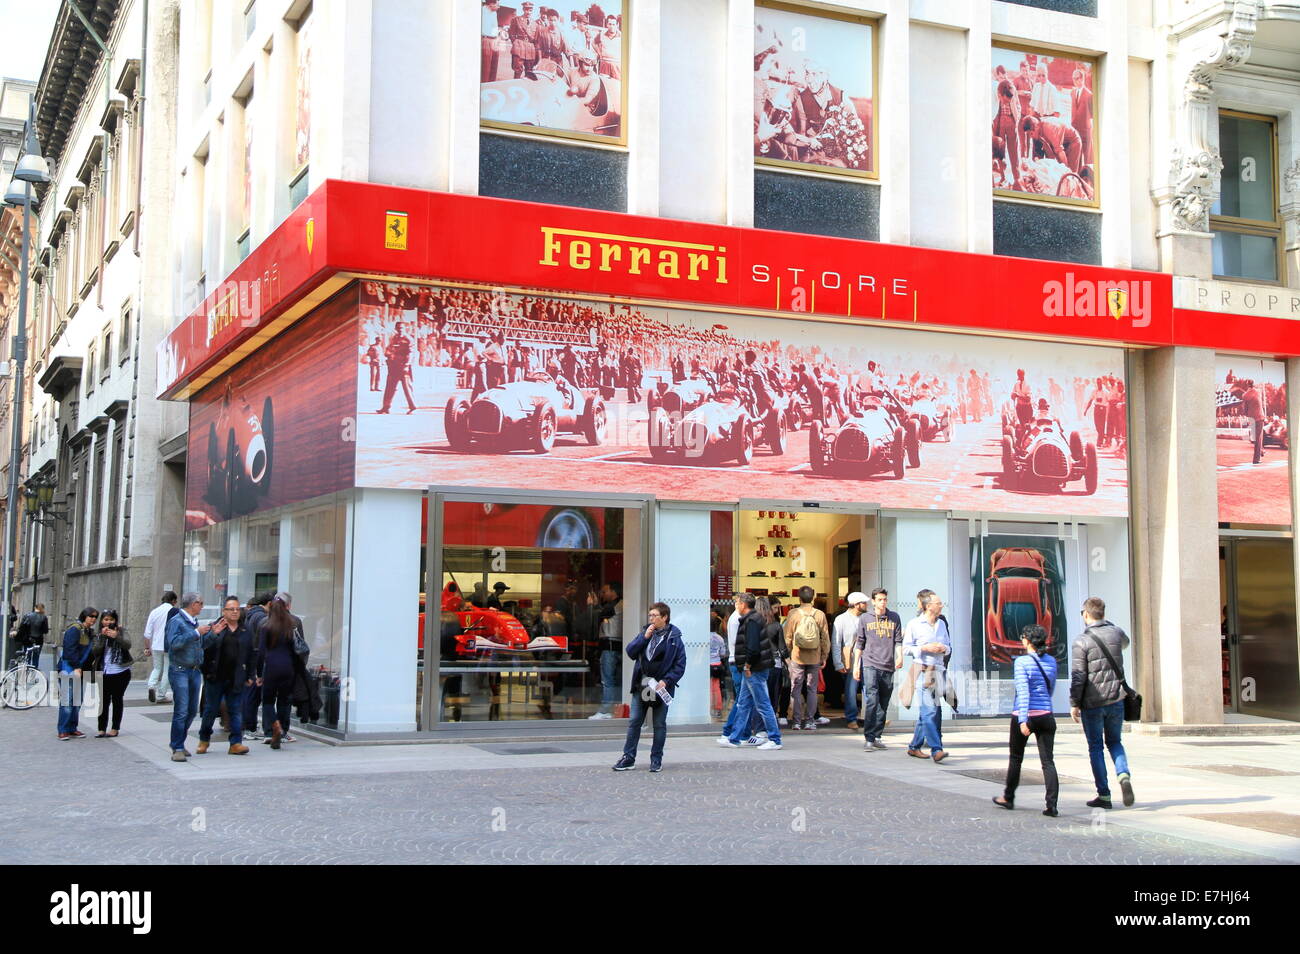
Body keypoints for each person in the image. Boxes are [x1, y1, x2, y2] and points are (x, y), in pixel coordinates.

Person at [1071, 597, 1134, 809]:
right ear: (1103, 613)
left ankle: (1104, 795)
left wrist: (1074, 703)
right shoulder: (1116, 633)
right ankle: (1123, 774)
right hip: (1116, 698)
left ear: (1086, 614)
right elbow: (1125, 643)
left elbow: (1079, 676)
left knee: (1096, 747)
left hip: (1093, 702)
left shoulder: (1082, 641)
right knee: (1115, 742)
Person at [993, 624, 1059, 816]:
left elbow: (1023, 692)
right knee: (1048, 762)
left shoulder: (1022, 662)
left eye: (1023, 637)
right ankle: (1051, 805)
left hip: (1026, 715)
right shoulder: (1052, 661)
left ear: (1027, 641)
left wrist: (1023, 720)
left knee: (1015, 759)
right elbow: (1051, 688)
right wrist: (1045, 705)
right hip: (1046, 714)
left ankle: (1008, 797)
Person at [612, 602, 686, 772]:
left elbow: (680, 665)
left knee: (659, 724)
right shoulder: (646, 632)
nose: (651, 619)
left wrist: (667, 681)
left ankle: (656, 759)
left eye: (655, 616)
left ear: (665, 617)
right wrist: (643, 637)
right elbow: (630, 652)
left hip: (661, 687)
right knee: (634, 721)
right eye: (650, 615)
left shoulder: (674, 638)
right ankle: (628, 758)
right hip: (642, 684)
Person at [719, 594, 782, 749]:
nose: (735, 605)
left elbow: (753, 647)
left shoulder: (752, 620)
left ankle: (774, 739)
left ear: (743, 604)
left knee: (762, 704)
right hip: (754, 668)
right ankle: (734, 737)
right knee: (743, 703)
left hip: (754, 669)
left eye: (737, 603)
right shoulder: (752, 619)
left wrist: (747, 666)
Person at [196, 596, 255, 756]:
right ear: (224, 611)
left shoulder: (245, 630)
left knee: (236, 710)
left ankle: (236, 743)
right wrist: (213, 634)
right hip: (215, 676)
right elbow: (203, 647)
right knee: (210, 709)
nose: (235, 612)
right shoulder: (215, 627)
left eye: (237, 609)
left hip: (236, 677)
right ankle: (204, 739)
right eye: (231, 609)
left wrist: (251, 674)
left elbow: (251, 654)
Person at [902, 591, 951, 762]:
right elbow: (906, 648)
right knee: (930, 711)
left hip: (938, 671)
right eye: (938, 603)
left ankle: (914, 746)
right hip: (923, 672)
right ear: (928, 606)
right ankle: (936, 749)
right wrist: (924, 648)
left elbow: (949, 646)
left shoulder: (942, 624)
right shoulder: (914, 624)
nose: (941, 605)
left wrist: (943, 649)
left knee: (931, 712)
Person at [855, 588, 903, 751]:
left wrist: (900, 656)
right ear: (873, 601)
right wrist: (856, 665)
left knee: (884, 702)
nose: (883, 602)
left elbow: (898, 640)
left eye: (885, 599)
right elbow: (859, 643)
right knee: (872, 700)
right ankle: (869, 737)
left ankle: (877, 736)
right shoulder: (865, 618)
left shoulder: (894, 617)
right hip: (870, 663)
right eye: (880, 599)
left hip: (888, 664)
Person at [256, 594, 306, 750]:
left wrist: (259, 674)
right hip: (288, 667)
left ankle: (273, 727)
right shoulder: (293, 623)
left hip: (271, 667)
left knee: (268, 700)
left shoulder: (265, 625)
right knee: (285, 700)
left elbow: (261, 652)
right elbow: (299, 648)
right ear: (287, 607)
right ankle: (283, 729)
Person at [165, 593, 211, 761]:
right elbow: (174, 644)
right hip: (180, 670)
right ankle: (176, 746)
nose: (202, 606)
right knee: (182, 710)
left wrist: (210, 634)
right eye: (201, 603)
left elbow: (199, 645)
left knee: (192, 710)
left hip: (194, 670)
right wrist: (196, 633)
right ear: (193, 604)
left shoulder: (193, 622)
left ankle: (179, 742)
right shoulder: (176, 621)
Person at [783, 585, 830, 731]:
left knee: (796, 689)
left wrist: (787, 656)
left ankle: (796, 721)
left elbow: (788, 637)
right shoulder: (820, 614)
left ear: (799, 598)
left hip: (797, 657)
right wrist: (824, 656)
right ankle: (810, 721)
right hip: (814, 657)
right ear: (813, 597)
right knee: (811, 689)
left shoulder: (793, 613)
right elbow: (825, 638)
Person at [57, 607, 98, 740]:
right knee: (67, 701)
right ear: (84, 616)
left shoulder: (88, 631)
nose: (93, 619)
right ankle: (63, 729)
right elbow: (69, 650)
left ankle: (72, 728)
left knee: (77, 701)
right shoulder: (74, 629)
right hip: (70, 668)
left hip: (80, 669)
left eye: (95, 617)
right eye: (91, 616)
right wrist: (76, 667)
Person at [91, 610, 133, 738]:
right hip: (104, 671)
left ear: (115, 621)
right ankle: (101, 728)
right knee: (103, 701)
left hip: (120, 671)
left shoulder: (121, 631)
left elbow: (128, 645)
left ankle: (115, 728)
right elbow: (95, 651)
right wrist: (103, 637)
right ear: (102, 621)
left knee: (117, 700)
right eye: (106, 620)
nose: (108, 622)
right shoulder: (98, 634)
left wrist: (116, 637)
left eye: (111, 620)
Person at [587, 582, 623, 720]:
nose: (603, 594)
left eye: (605, 591)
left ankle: (605, 710)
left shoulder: (614, 605)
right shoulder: (622, 605)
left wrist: (593, 605)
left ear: (613, 592)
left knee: (608, 680)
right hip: (619, 646)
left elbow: (598, 615)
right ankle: (616, 708)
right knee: (618, 679)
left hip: (610, 647)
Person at [832, 592, 868, 729]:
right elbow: (836, 642)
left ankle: (872, 718)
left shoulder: (866, 618)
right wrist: (837, 662)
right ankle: (851, 718)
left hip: (867, 658)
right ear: (856, 604)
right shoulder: (841, 619)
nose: (866, 605)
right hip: (851, 659)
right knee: (851, 690)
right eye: (864, 603)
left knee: (869, 689)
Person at [241, 591, 272, 739]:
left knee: (250, 694)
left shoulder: (251, 614)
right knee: (254, 695)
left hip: (250, 659)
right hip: (256, 659)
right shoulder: (261, 617)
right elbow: (261, 642)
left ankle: (248, 726)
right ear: (269, 603)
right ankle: (250, 727)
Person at [142, 591, 177, 704]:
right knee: (167, 669)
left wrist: (147, 648)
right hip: (168, 645)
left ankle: (151, 686)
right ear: (173, 601)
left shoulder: (154, 612)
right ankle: (161, 695)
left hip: (156, 645)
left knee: (157, 668)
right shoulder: (174, 612)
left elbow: (147, 633)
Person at [377, 321, 416, 414]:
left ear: (405, 328)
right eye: (398, 328)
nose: (400, 330)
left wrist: (406, 365)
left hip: (403, 366)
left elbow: (411, 353)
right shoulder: (394, 338)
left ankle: (413, 406)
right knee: (389, 387)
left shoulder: (408, 339)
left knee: (407, 387)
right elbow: (389, 349)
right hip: (394, 366)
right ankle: (386, 407)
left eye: (401, 328)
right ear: (395, 329)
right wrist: (388, 354)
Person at [15, 602, 48, 668]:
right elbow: (45, 630)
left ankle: (27, 671)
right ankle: (34, 672)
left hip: (27, 640)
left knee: (27, 657)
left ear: (35, 608)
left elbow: (21, 628)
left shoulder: (27, 616)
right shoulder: (44, 618)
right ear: (43, 609)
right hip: (38, 640)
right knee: (36, 658)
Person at [481, 0, 503, 83]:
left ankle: (491, 85)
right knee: (486, 67)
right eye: (497, 5)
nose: (499, 7)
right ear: (490, 4)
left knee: (494, 66)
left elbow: (495, 28)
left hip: (495, 40)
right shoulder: (482, 11)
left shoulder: (494, 13)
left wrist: (498, 37)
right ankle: (485, 86)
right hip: (486, 40)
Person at [709, 627, 725, 718]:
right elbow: (723, 653)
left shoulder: (704, 637)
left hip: (708, 664)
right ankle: (718, 709)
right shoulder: (720, 638)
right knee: (717, 687)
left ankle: (709, 707)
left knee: (708, 688)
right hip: (717, 664)